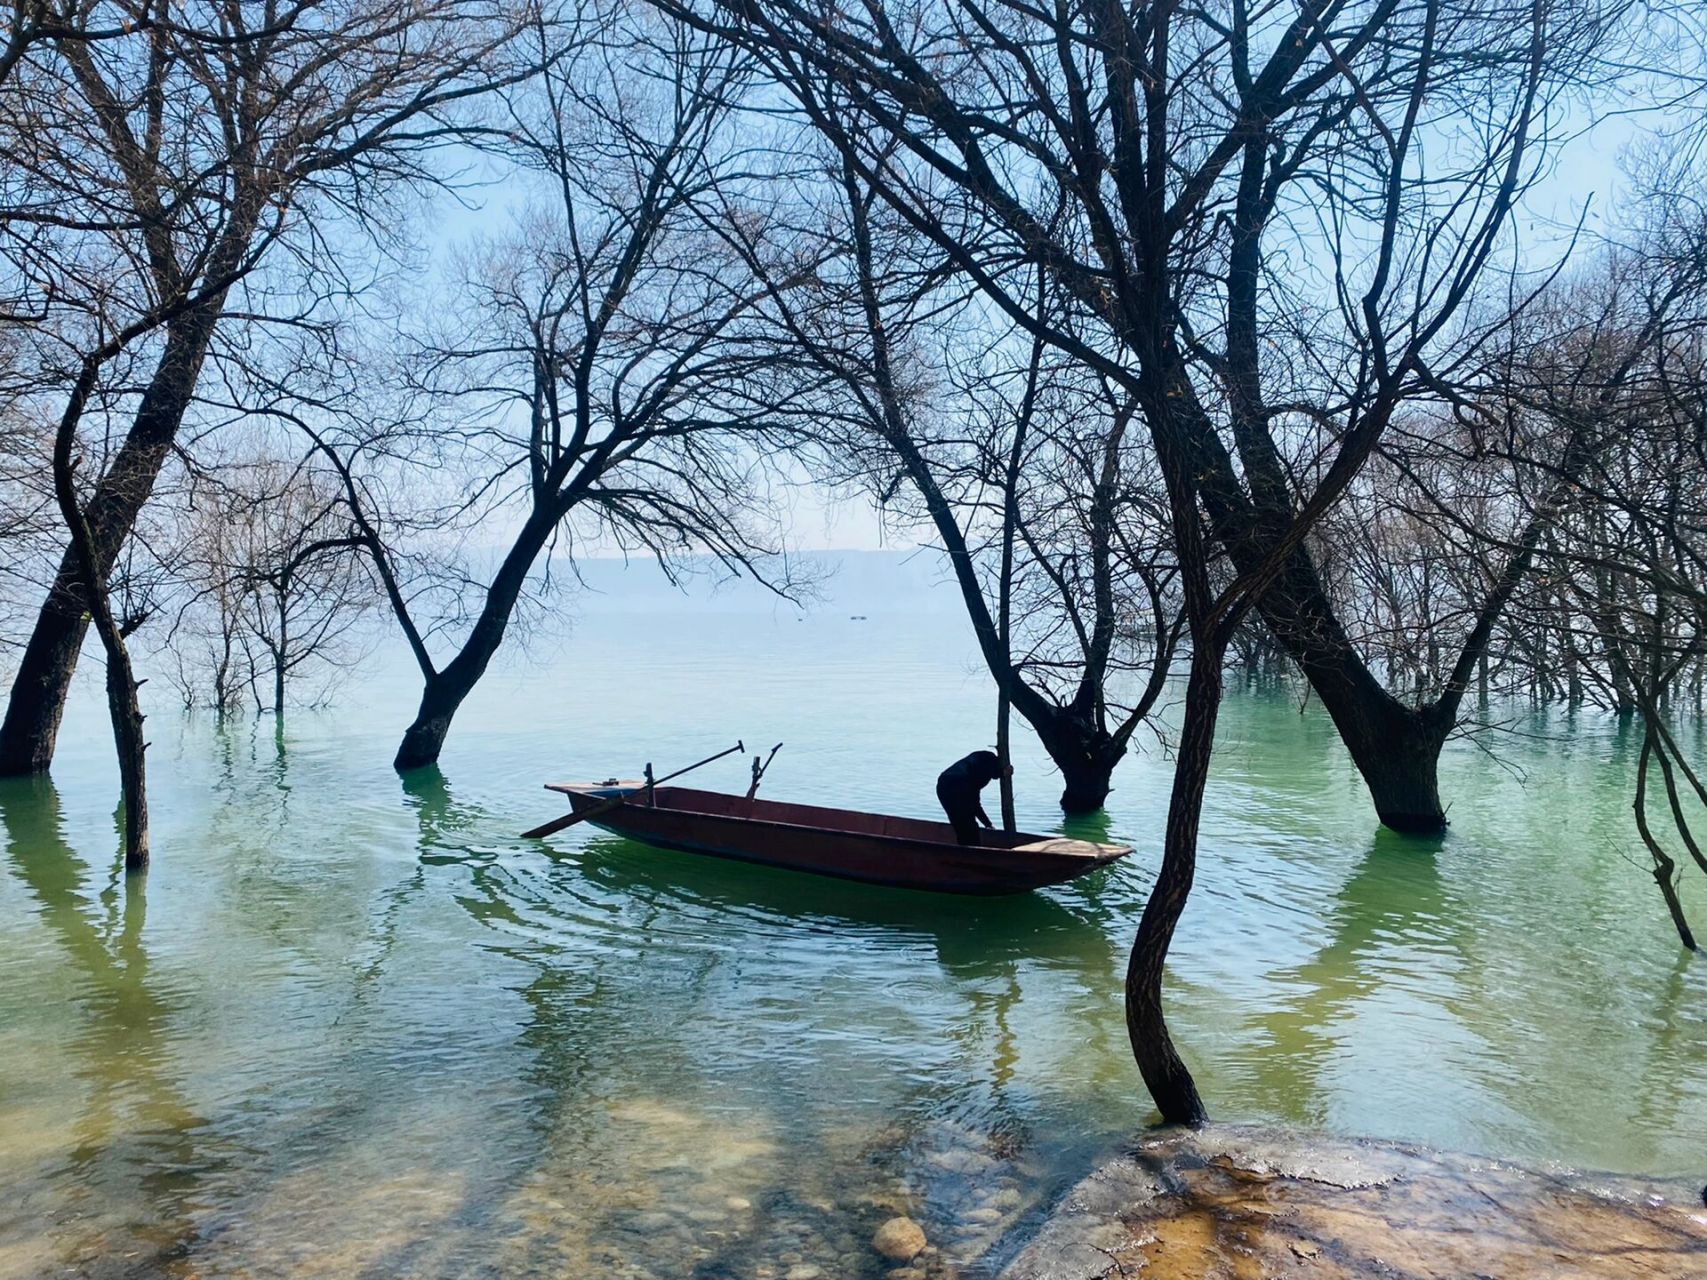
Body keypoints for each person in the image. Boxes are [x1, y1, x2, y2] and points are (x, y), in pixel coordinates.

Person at [935, 750, 1013, 846]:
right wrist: (1002, 773)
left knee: (960, 824)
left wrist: (987, 824)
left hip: (943, 785)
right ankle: (972, 853)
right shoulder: (988, 759)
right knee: (968, 826)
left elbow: (975, 804)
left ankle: (963, 852)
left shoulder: (974, 773)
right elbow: (974, 802)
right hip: (956, 785)